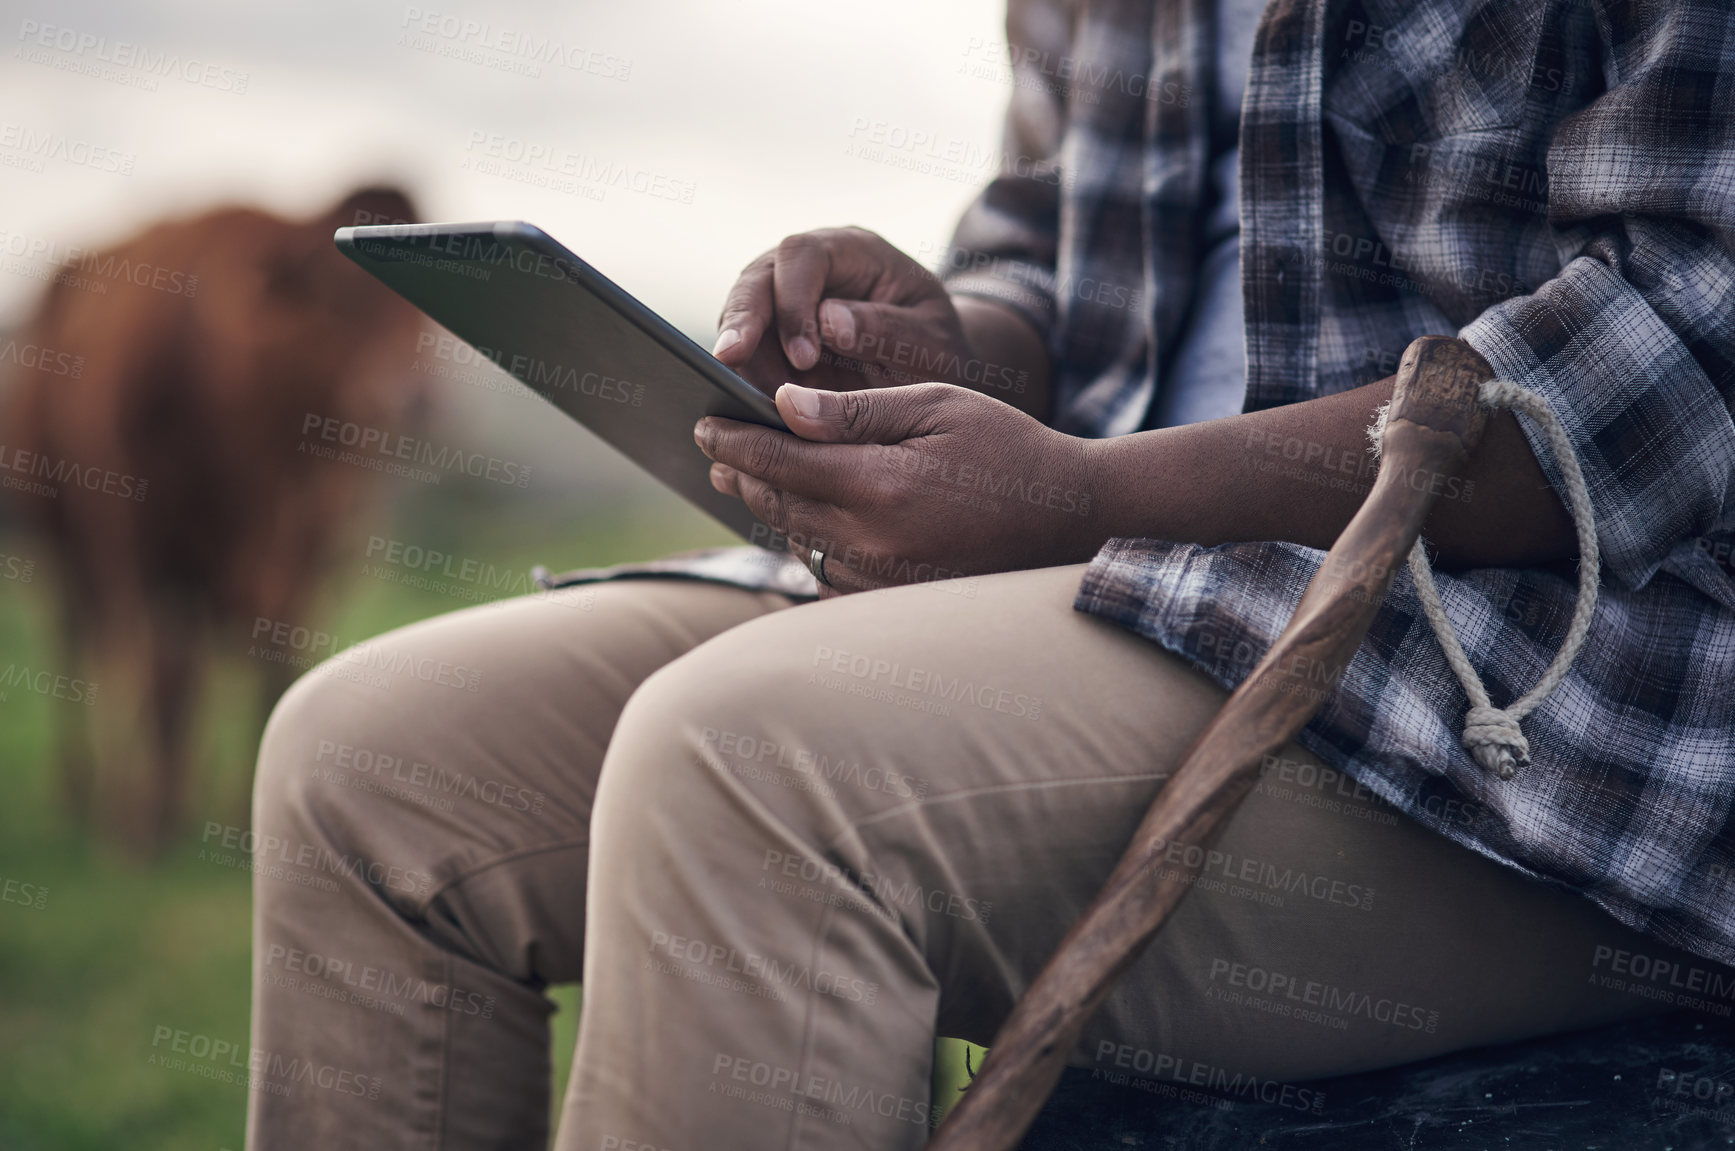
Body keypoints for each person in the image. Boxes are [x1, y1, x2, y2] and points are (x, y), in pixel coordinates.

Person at [246, 0, 1735, 1147]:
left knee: (754, 768)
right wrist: (953, 342)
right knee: (366, 761)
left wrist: (1085, 496)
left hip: (1529, 676)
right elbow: (1053, 247)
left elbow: (1678, 357)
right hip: (1096, 571)